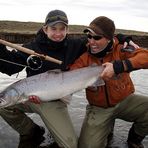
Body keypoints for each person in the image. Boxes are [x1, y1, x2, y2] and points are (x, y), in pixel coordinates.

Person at [0, 10, 139, 148]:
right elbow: (9, 67)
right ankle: (31, 131)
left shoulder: (76, 45)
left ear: (67, 29)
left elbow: (102, 38)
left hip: (55, 102)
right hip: (29, 99)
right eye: (53, 29)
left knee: (70, 145)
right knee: (3, 106)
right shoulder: (31, 48)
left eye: (62, 29)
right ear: (45, 29)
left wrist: (123, 38)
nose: (58, 34)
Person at [70, 16, 148, 148]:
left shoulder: (122, 49)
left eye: (97, 37)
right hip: (98, 108)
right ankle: (106, 128)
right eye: (89, 36)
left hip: (125, 101)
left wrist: (118, 66)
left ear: (109, 39)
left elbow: (145, 56)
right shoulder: (83, 59)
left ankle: (134, 139)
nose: (91, 41)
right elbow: (69, 77)